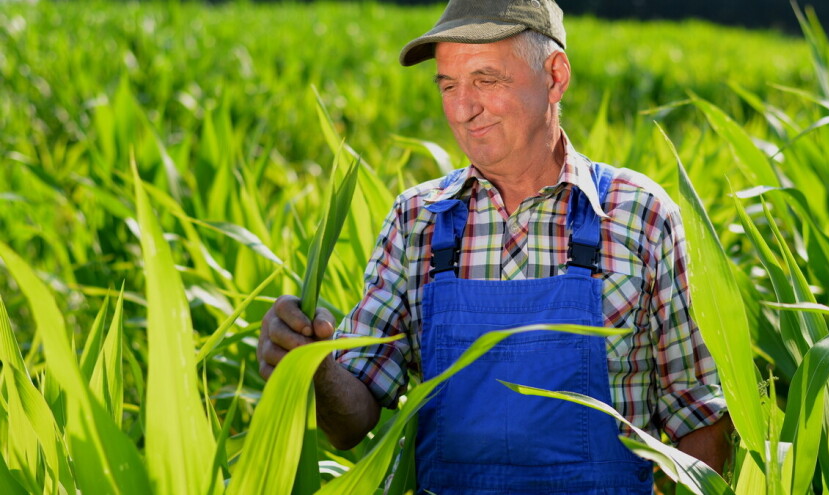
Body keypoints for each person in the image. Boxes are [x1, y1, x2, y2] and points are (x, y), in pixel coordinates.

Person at [259, 0, 732, 492]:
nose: (463, 108)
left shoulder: (640, 216)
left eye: (486, 79)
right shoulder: (417, 219)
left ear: (555, 76)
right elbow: (351, 418)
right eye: (448, 85)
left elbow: (697, 413)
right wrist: (311, 366)